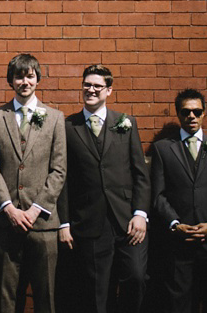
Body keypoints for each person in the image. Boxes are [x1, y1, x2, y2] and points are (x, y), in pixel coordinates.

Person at [57, 65, 150, 313]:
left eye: (97, 86)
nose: (91, 90)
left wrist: (140, 214)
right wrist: (64, 223)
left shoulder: (126, 123)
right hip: (89, 221)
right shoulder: (68, 126)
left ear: (109, 90)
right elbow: (63, 179)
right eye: (87, 85)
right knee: (97, 290)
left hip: (127, 220)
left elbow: (140, 173)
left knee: (136, 277)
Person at [0, 53, 67, 313]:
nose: (24, 81)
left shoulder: (54, 117)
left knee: (46, 297)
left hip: (42, 224)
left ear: (37, 79)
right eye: (19, 76)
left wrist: (34, 209)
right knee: (5, 297)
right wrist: (8, 208)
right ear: (11, 81)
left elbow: (59, 169)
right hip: (5, 223)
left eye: (30, 76)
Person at [150, 89, 207, 313]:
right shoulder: (162, 149)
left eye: (197, 111)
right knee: (178, 305)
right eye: (186, 112)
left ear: (204, 114)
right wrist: (174, 224)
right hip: (179, 243)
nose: (192, 116)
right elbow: (158, 196)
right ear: (178, 114)